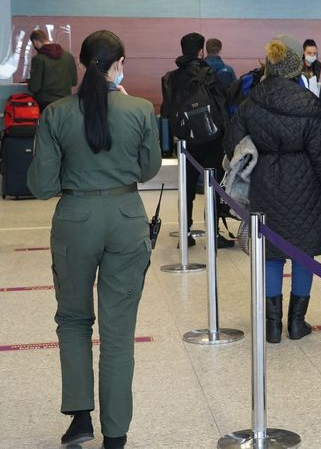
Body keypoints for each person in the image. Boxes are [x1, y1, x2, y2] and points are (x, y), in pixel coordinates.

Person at [27, 30, 162, 449]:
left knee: (73, 320)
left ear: (83, 64)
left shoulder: (56, 113)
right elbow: (149, 169)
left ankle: (80, 418)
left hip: (75, 219)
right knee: (118, 332)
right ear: (119, 64)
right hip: (126, 219)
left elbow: (41, 186)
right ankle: (115, 435)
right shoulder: (140, 109)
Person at [225, 39, 321, 343]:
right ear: (296, 68)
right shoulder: (308, 102)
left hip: (265, 184)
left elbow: (232, 144)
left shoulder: (252, 101)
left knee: (272, 253)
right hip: (306, 188)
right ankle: (296, 323)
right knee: (303, 253)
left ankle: (272, 326)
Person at [160, 33, 233, 248]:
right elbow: (223, 105)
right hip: (212, 140)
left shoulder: (170, 78)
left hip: (186, 142)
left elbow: (166, 112)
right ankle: (213, 234)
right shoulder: (210, 74)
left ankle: (186, 233)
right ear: (201, 51)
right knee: (213, 188)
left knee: (187, 188)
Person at [27, 28, 78, 111]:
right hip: (65, 101)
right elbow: (74, 82)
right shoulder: (69, 57)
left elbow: (34, 87)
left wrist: (30, 80)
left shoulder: (38, 59)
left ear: (35, 42)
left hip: (44, 104)